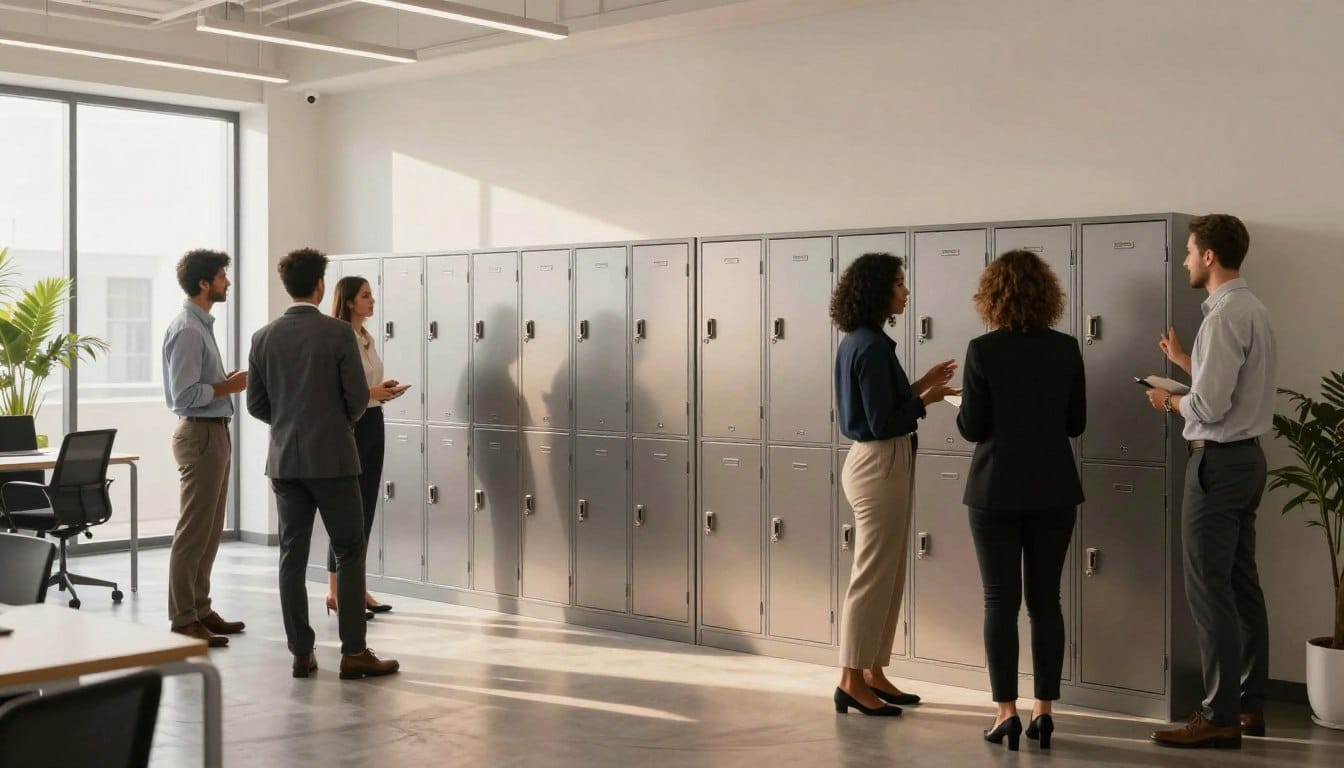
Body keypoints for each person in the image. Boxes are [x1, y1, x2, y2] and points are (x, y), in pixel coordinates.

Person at [1147, 214, 1275, 749]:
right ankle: (1247, 705)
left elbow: (1208, 406)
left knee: (1209, 588)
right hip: (1246, 461)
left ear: (1208, 257)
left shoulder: (1223, 317)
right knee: (1241, 584)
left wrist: (1168, 399)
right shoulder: (1253, 309)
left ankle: (1218, 714)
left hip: (1217, 465)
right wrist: (1184, 360)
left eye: (1189, 251)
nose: (1183, 261)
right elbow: (1232, 388)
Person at [247, 247, 399, 681]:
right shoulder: (337, 335)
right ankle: (353, 652)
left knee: (291, 557)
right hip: (333, 459)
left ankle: (300, 652)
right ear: (319, 285)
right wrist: (332, 423)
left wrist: (291, 423)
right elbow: (356, 400)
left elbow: (257, 404)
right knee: (350, 550)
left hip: (284, 463)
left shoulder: (263, 337)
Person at [955, 250, 1085, 751]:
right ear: (1048, 294)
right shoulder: (1067, 348)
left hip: (995, 491)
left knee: (999, 602)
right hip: (1054, 488)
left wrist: (962, 408)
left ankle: (1004, 712)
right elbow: (1076, 424)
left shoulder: (982, 350)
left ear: (992, 296)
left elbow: (973, 428)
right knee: (1046, 601)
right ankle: (1044, 712)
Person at [830, 252, 958, 717]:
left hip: (882, 462)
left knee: (889, 573)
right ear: (880, 291)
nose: (906, 292)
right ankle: (850, 679)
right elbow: (883, 421)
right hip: (879, 462)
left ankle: (872, 671)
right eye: (900, 284)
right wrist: (930, 398)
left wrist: (924, 382)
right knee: (870, 575)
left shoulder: (864, 341)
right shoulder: (871, 346)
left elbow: (883, 401)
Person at [162, 249, 248, 647]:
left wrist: (222, 383)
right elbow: (183, 394)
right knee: (194, 531)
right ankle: (183, 619)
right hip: (199, 434)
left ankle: (200, 607)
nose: (227, 282)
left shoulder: (201, 326)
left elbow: (201, 386)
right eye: (221, 276)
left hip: (214, 431)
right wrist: (228, 387)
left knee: (210, 530)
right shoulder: (188, 330)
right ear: (203, 283)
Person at [325, 276, 408, 618]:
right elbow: (336, 391)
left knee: (366, 508)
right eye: (365, 296)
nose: (372, 301)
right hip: (353, 427)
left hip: (374, 423)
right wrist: (372, 394)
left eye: (372, 295)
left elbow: (365, 384)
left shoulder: (365, 337)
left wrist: (381, 389)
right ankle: (336, 591)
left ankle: (356, 587)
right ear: (348, 302)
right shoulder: (338, 338)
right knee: (347, 511)